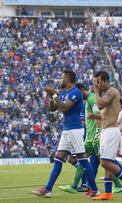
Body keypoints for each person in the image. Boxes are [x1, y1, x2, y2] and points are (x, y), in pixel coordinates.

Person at [32, 70, 99, 198]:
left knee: (83, 160)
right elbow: (53, 109)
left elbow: (64, 108)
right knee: (58, 158)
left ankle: (94, 189)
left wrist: (55, 95)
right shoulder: (64, 93)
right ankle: (48, 189)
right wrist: (52, 97)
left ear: (68, 79)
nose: (60, 80)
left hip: (75, 130)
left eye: (62, 77)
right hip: (67, 130)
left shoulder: (75, 92)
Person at [91, 71, 122, 201]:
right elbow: (104, 115)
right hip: (107, 130)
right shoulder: (109, 94)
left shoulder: (112, 92)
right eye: (96, 82)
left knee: (104, 162)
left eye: (98, 81)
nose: (97, 84)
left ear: (105, 80)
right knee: (107, 162)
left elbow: (99, 104)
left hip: (111, 131)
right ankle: (108, 193)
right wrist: (94, 116)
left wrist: (95, 89)